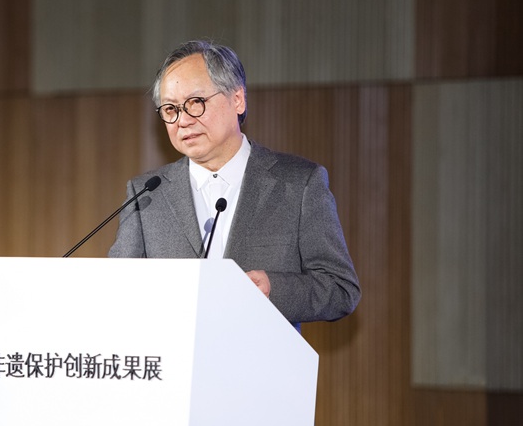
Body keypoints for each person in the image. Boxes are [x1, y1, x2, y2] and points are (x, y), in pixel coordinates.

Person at [108, 40, 360, 333]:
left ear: (237, 99)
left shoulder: (299, 184)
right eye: (170, 108)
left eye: (195, 102)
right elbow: (117, 291)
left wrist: (274, 288)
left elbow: (340, 288)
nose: (182, 120)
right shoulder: (147, 193)